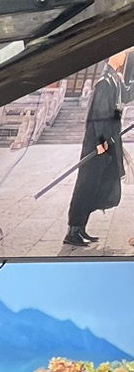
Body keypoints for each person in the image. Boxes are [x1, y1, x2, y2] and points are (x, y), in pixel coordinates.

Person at [67, 51, 127, 248]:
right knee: (86, 185)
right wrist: (102, 142)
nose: (125, 56)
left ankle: (81, 228)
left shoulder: (115, 80)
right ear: (112, 58)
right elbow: (99, 115)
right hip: (98, 144)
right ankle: (73, 231)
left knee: (96, 185)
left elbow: (125, 97)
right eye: (122, 54)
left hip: (109, 141)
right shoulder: (104, 83)